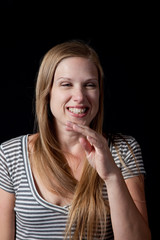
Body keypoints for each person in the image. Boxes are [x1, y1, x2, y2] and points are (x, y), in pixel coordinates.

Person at [0, 40, 151, 240]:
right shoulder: (11, 154)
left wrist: (112, 177)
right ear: (47, 92)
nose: (79, 96)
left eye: (90, 85)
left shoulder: (123, 150)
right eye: (66, 84)